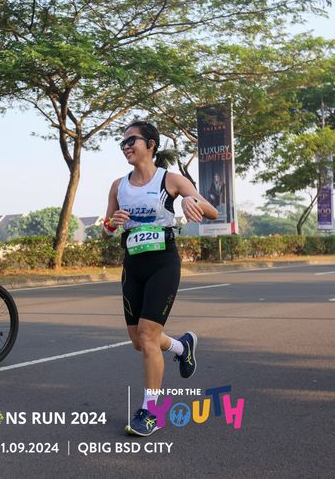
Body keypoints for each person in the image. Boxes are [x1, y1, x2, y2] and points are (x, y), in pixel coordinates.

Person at [103, 121, 218, 437]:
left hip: (163, 263)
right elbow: (106, 230)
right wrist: (112, 223)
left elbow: (211, 211)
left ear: (151, 144)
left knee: (148, 335)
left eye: (132, 140)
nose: (126, 146)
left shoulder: (170, 180)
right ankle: (181, 347)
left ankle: (151, 411)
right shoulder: (118, 186)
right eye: (123, 143)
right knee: (139, 341)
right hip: (132, 264)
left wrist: (190, 201)